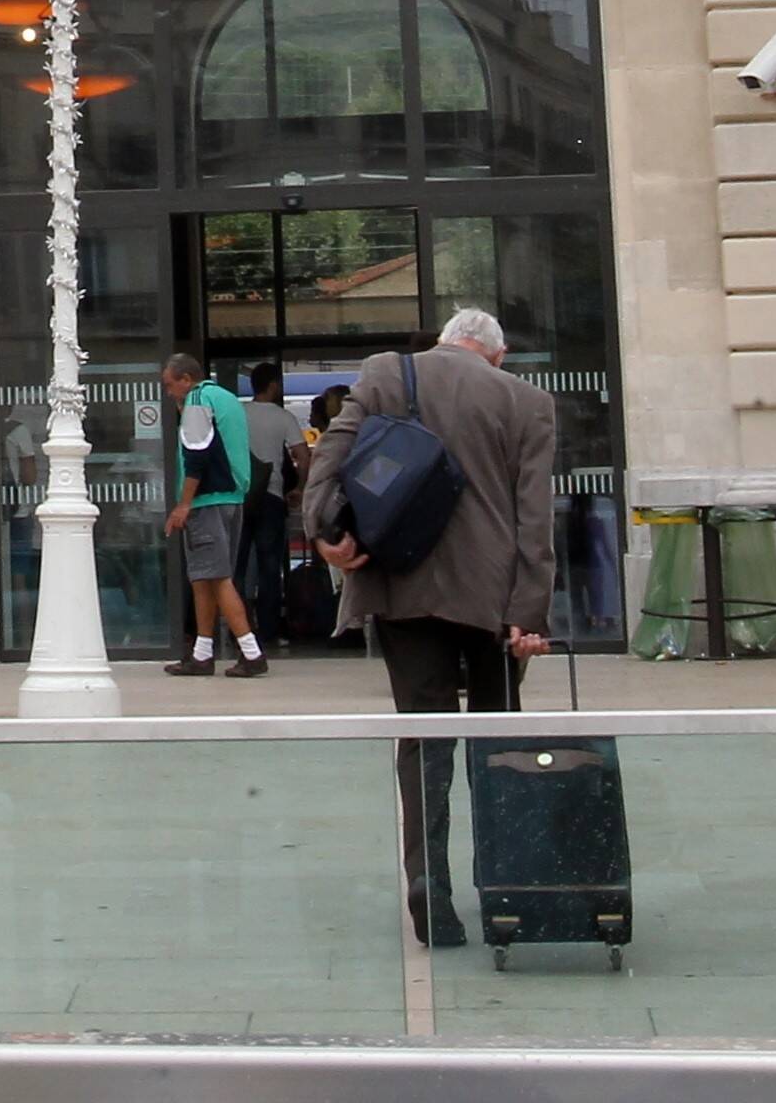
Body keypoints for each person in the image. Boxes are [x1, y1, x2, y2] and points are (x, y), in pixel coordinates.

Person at [302, 306, 558, 950]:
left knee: (423, 734)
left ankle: (429, 889)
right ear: (495, 355)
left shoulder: (388, 372)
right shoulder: (527, 402)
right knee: (497, 736)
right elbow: (535, 519)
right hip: (491, 593)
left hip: (400, 581)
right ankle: (505, 887)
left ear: (446, 342)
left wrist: (324, 534)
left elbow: (330, 458)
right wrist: (528, 616)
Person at [158, 351, 262, 678]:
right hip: (232, 496)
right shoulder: (226, 398)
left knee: (217, 578)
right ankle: (202, 653)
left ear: (186, 380)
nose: (169, 391)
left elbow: (196, 457)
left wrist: (183, 504)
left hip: (206, 501)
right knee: (203, 578)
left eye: (170, 384)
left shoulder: (197, 401)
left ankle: (250, 650)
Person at [238, 360, 300, 654]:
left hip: (239, 497)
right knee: (269, 566)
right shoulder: (283, 417)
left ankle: (242, 630)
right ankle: (269, 632)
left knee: (236, 567)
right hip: (272, 497)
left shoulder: (238, 413)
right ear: (273, 385)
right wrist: (300, 487)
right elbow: (302, 454)